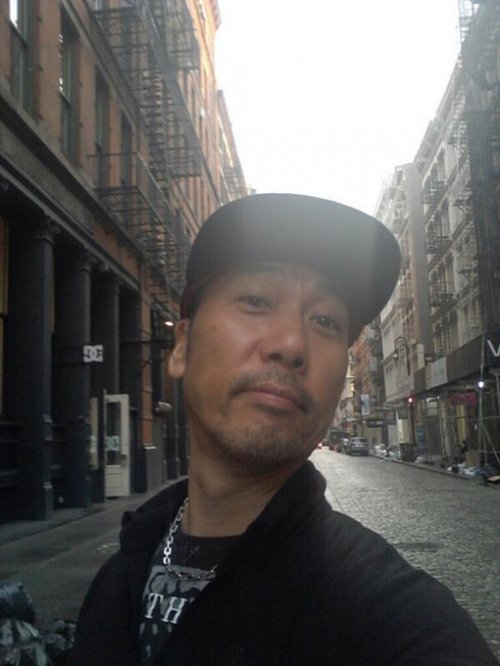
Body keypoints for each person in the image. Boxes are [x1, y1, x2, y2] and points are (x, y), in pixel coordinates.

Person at [69, 194, 498, 665]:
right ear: (182, 345)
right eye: (256, 301)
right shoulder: (116, 583)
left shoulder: (391, 615)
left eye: (325, 321)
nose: (292, 343)